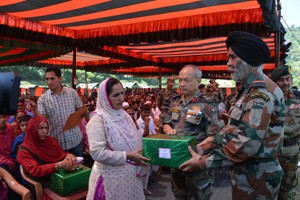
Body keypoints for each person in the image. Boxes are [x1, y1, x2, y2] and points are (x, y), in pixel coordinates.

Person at [180, 31, 285, 199]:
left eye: (233, 57)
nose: (228, 63)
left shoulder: (260, 94)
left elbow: (246, 145)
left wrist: (202, 162)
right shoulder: (247, 90)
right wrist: (213, 140)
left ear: (248, 59)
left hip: (257, 178)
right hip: (249, 175)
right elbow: (237, 129)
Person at [86, 78, 150, 200]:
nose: (121, 98)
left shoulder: (123, 114)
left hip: (130, 179)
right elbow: (97, 153)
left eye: (122, 93)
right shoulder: (98, 120)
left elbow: (135, 138)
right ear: (105, 97)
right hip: (111, 182)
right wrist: (127, 156)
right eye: (116, 95)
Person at [163, 64, 220, 200]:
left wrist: (195, 151)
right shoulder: (175, 102)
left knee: (198, 196)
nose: (181, 84)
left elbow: (214, 136)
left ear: (198, 81)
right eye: (180, 80)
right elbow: (165, 123)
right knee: (179, 195)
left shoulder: (207, 105)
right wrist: (169, 129)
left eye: (186, 80)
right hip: (176, 161)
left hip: (196, 164)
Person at [16, 116, 78, 195]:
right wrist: (58, 165)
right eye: (41, 128)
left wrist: (69, 156)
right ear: (32, 129)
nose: (45, 131)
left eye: (46, 128)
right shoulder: (24, 150)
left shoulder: (50, 141)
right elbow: (36, 170)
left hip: (60, 177)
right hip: (43, 183)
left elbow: (62, 154)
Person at [37, 66, 83, 156]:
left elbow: (80, 111)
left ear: (60, 78)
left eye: (52, 78)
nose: (49, 82)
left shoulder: (72, 93)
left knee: (80, 168)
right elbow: (42, 121)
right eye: (47, 79)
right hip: (57, 143)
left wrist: (74, 121)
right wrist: (35, 109)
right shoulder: (42, 99)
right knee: (61, 169)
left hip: (75, 139)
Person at [270, 65, 300, 200]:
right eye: (281, 80)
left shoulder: (298, 100)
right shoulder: (268, 100)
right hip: (272, 151)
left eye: (288, 79)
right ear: (275, 83)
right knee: (270, 187)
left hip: (291, 151)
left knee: (287, 186)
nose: (286, 83)